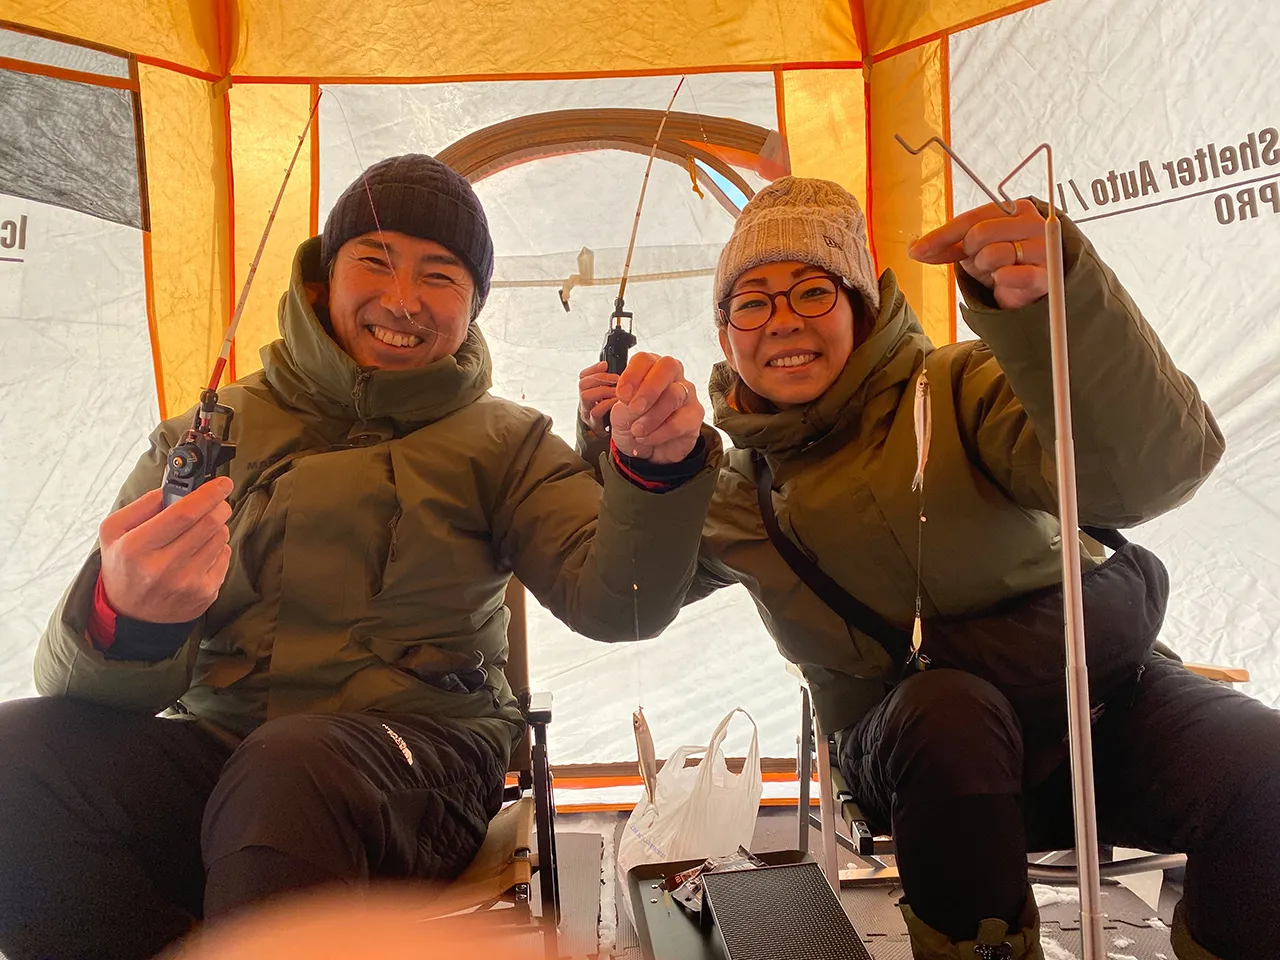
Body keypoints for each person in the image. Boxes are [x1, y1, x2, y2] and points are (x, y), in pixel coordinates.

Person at [0, 154, 718, 960]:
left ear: (474, 304)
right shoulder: (209, 434)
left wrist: (652, 471)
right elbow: (71, 690)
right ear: (323, 278)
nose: (403, 300)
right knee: (19, 759)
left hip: (419, 765)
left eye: (440, 276)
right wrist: (124, 616)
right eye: (374, 260)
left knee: (288, 772)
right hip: (224, 749)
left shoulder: (504, 441)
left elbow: (618, 600)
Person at [579, 177, 1280, 960]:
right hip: (917, 750)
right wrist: (628, 459)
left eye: (812, 291)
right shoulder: (731, 490)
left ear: (860, 304)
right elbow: (631, 600)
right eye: (751, 301)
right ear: (725, 331)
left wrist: (1059, 310)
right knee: (948, 713)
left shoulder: (962, 387)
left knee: (1263, 772)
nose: (783, 321)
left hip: (1097, 698)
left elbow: (1150, 473)